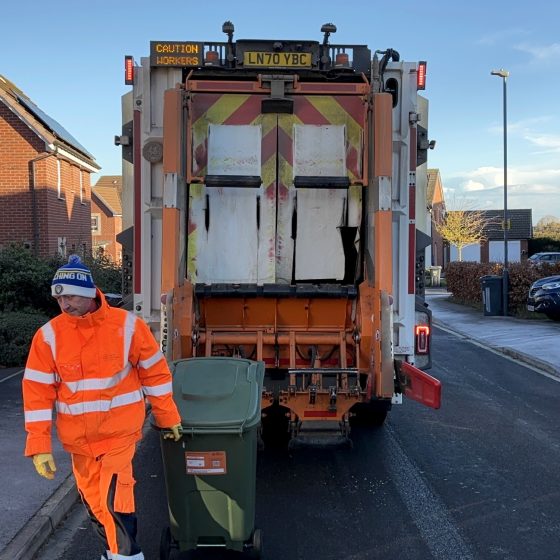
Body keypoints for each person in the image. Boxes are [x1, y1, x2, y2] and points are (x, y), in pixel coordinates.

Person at [22, 255, 182, 560]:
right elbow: (37, 393)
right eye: (58, 298)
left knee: (115, 502)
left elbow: (155, 374)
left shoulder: (127, 327)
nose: (64, 304)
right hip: (80, 445)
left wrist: (167, 415)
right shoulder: (49, 336)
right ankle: (113, 554)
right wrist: (39, 444)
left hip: (118, 436)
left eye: (69, 296)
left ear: (88, 292)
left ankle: (127, 556)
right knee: (96, 506)